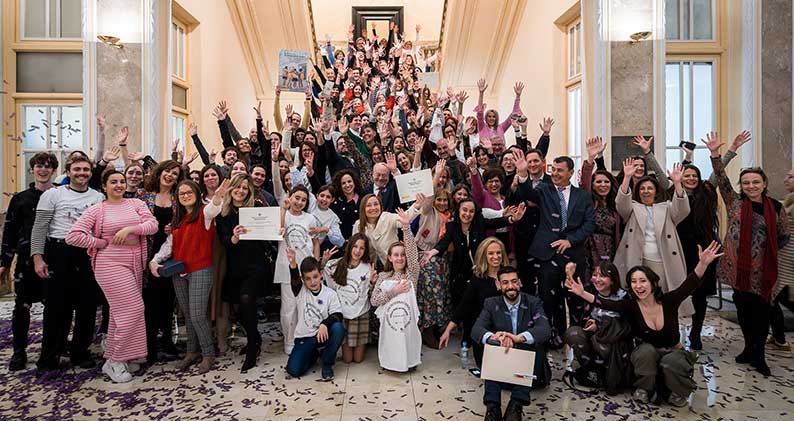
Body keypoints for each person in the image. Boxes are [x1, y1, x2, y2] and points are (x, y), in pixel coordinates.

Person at [565, 241, 723, 407]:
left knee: (671, 363)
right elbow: (606, 304)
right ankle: (644, 389)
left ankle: (677, 391)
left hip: (673, 351)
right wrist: (582, 293)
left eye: (643, 281)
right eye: (634, 282)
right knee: (645, 352)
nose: (638, 286)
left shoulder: (669, 301)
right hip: (646, 355)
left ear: (653, 283)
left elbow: (689, 284)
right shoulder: (632, 306)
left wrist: (703, 263)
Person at [704, 132, 789, 376]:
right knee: (743, 312)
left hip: (763, 272)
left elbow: (783, 235)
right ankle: (749, 347)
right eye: (746, 182)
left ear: (764, 184)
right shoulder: (734, 202)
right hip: (736, 271)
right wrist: (715, 154)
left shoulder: (776, 207)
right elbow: (720, 179)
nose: (751, 186)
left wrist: (762, 252)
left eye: (755, 182)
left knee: (761, 314)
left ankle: (759, 355)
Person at [65, 170, 158, 382]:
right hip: (109, 264)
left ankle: (125, 356)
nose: (119, 185)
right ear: (104, 187)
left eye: (122, 181)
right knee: (134, 308)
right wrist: (100, 243)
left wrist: (130, 229)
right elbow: (73, 236)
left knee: (119, 314)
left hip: (134, 262)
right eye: (113, 182)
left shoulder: (136, 204)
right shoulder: (97, 209)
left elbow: (152, 226)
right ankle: (114, 361)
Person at [512, 150, 596, 347]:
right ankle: (548, 337)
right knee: (547, 299)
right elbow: (526, 194)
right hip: (546, 254)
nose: (555, 174)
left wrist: (570, 241)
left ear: (570, 172)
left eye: (560, 170)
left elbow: (590, 224)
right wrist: (523, 174)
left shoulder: (582, 196)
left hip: (573, 255)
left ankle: (577, 339)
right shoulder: (544, 189)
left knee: (575, 299)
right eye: (553, 170)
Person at [31, 154, 106, 373]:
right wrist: (38, 257)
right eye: (77, 169)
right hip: (59, 252)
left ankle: (80, 353)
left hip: (87, 253)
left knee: (87, 307)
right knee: (56, 308)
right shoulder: (52, 194)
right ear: (68, 171)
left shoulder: (98, 197)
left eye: (85, 169)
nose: (81, 173)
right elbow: (39, 228)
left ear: (91, 172)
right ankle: (50, 357)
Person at [150, 179, 230, 374]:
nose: (185, 195)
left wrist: (218, 197)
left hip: (201, 269)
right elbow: (169, 245)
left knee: (197, 314)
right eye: (181, 193)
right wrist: (155, 260)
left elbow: (214, 208)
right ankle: (191, 352)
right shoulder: (178, 221)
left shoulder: (204, 213)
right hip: (179, 272)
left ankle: (208, 353)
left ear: (196, 193)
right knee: (188, 314)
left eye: (189, 192)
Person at [1, 152, 58, 371]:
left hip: (53, 259)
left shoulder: (59, 196)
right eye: (38, 166)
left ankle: (50, 351)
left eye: (47, 167)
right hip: (26, 261)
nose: (43, 170)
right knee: (21, 307)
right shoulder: (20, 198)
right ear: (32, 169)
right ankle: (19, 352)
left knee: (54, 309)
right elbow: (10, 232)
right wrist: (4, 262)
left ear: (54, 170)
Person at [614, 159, 692, 316]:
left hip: (663, 261)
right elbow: (621, 204)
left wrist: (677, 183)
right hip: (638, 260)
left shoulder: (667, 208)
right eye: (642, 188)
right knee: (639, 300)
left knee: (662, 299)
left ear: (656, 191)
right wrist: (627, 178)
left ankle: (665, 334)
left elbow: (683, 210)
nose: (646, 191)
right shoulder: (633, 208)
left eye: (650, 188)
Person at [472, 265, 551, 421]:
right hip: (502, 364)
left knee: (532, 342)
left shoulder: (533, 303)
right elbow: (476, 329)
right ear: (499, 285)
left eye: (514, 281)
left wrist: (518, 338)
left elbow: (545, 329)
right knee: (492, 345)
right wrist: (495, 337)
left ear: (520, 283)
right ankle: (493, 407)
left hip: (528, 368)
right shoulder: (491, 303)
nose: (510, 286)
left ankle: (516, 404)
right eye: (505, 282)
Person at [214, 174, 271, 373]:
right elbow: (224, 241)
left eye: (245, 188)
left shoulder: (256, 209)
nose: (241, 191)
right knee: (238, 309)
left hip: (256, 264)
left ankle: (252, 349)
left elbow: (270, 232)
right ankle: (255, 337)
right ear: (231, 189)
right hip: (235, 266)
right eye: (238, 187)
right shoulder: (224, 214)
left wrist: (277, 229)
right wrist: (235, 237)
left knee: (247, 299)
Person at [421, 198, 522, 308]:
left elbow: (496, 222)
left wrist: (512, 219)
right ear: (458, 211)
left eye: (471, 211)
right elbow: (444, 242)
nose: (467, 214)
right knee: (464, 303)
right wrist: (433, 251)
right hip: (461, 272)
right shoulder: (452, 226)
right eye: (465, 210)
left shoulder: (480, 223)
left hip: (482, 270)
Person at [138, 160, 185, 362]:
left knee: (168, 299)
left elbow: (184, 224)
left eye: (175, 174)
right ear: (160, 172)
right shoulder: (144, 196)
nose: (170, 175)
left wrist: (174, 229)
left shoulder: (179, 198)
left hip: (170, 253)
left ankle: (167, 341)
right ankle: (148, 344)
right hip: (147, 252)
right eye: (167, 171)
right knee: (149, 301)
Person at [562, 262, 632, 394]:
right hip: (592, 336)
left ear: (612, 280)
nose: (597, 279)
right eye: (595, 275)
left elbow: (624, 326)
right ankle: (590, 370)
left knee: (597, 340)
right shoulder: (590, 289)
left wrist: (600, 327)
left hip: (614, 343)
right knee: (573, 334)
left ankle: (608, 373)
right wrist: (569, 277)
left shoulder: (625, 297)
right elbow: (574, 302)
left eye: (603, 276)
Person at [437, 237, 508, 368]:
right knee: (489, 368)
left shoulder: (509, 276)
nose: (496, 256)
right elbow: (463, 306)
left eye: (498, 253)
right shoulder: (478, 279)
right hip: (485, 331)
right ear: (484, 256)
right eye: (491, 253)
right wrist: (448, 330)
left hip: (507, 331)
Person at [672, 161, 719, 350]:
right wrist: (647, 153)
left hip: (704, 250)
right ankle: (673, 332)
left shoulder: (706, 194)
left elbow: (718, 175)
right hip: (679, 250)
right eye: (687, 175)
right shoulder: (673, 194)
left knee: (700, 296)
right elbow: (659, 175)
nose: (691, 178)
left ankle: (696, 333)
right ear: (680, 178)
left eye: (695, 176)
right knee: (675, 293)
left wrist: (724, 152)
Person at [370, 209, 422, 372]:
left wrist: (406, 227)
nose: (400, 258)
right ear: (390, 258)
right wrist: (394, 291)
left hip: (407, 323)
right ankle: (390, 363)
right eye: (396, 255)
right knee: (392, 345)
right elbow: (374, 300)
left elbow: (413, 253)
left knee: (407, 342)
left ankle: (409, 361)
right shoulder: (383, 276)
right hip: (390, 325)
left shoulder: (411, 273)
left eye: (402, 255)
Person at [274, 186, 321, 355]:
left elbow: (315, 243)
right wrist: (283, 208)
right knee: (289, 308)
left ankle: (304, 339)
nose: (299, 202)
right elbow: (277, 231)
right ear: (290, 197)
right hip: (286, 268)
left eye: (303, 200)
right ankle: (289, 341)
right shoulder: (283, 215)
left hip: (306, 268)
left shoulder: (310, 219)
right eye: (297, 198)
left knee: (305, 305)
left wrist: (316, 264)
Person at [285, 250, 346, 381]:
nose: (312, 282)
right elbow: (295, 280)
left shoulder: (330, 294)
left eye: (315, 277)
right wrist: (293, 263)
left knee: (338, 328)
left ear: (321, 275)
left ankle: (326, 363)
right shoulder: (301, 291)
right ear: (303, 279)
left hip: (321, 336)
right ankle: (312, 355)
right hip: (305, 337)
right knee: (294, 371)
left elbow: (338, 314)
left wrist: (325, 324)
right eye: (307, 278)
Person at [324, 233, 374, 363]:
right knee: (347, 359)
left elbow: (371, 293)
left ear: (365, 250)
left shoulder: (367, 267)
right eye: (355, 246)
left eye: (362, 248)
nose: (357, 251)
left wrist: (373, 281)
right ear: (349, 246)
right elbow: (319, 277)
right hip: (344, 314)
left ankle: (363, 344)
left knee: (358, 360)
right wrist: (323, 261)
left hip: (361, 314)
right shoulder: (336, 264)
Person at [580, 138, 621, 276]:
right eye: (598, 182)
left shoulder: (615, 204)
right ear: (593, 185)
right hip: (588, 248)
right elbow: (585, 181)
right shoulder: (589, 201)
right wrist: (590, 158)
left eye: (606, 182)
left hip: (610, 249)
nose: (603, 185)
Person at [352, 193, 422, 266]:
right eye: (368, 205)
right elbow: (355, 247)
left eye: (376, 204)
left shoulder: (388, 217)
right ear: (363, 208)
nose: (373, 208)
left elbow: (405, 218)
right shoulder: (358, 225)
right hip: (370, 266)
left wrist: (416, 206)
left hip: (393, 264)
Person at [771, 167, 794, 351]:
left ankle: (779, 338)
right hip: (782, 254)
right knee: (774, 297)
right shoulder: (789, 200)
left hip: (789, 256)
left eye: (791, 176)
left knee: (779, 296)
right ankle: (778, 336)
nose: (786, 179)